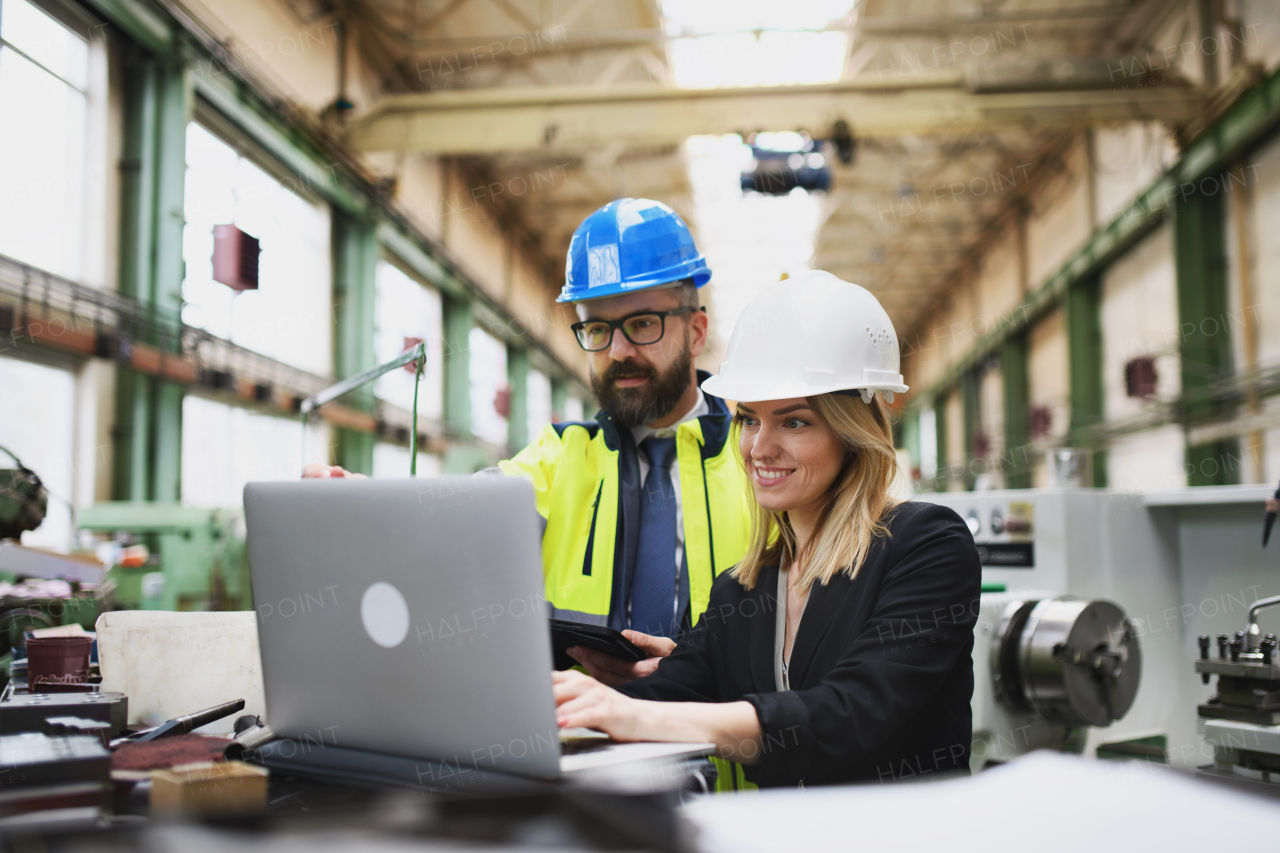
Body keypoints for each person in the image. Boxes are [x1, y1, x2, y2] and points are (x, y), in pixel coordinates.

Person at [552, 271, 982, 789]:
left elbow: (851, 713)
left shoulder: (925, 545)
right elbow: (663, 696)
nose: (759, 448)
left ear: (853, 431)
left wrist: (643, 718)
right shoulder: (744, 588)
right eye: (750, 420)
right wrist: (547, 711)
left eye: (794, 422)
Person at [306, 199, 754, 682]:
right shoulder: (560, 456)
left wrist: (698, 680)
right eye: (598, 329)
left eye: (643, 323)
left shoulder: (759, 462)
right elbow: (459, 516)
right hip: (582, 742)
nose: (618, 351)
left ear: (696, 330)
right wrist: (364, 508)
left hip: (724, 747)